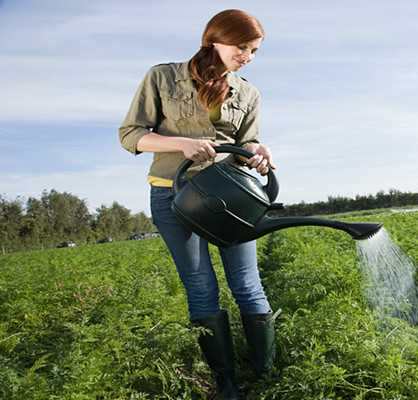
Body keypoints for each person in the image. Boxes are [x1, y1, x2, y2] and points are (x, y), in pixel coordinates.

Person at [118, 9, 277, 400]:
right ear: (215, 39)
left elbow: (245, 147)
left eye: (254, 51)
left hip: (228, 198)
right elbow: (131, 135)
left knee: (247, 284)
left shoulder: (249, 93)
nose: (247, 57)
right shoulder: (162, 77)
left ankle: (266, 373)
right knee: (201, 287)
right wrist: (181, 143)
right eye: (242, 47)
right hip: (173, 197)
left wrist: (256, 152)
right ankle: (226, 383)